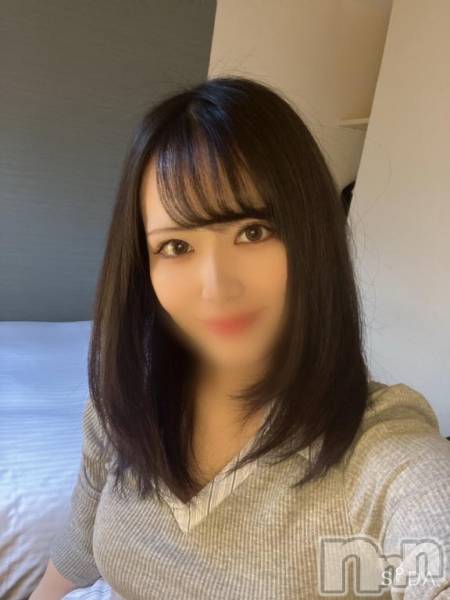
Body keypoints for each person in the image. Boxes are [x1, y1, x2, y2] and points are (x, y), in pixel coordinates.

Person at [30, 76, 450, 600]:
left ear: (311, 237)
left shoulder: (378, 450)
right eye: (176, 246)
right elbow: (81, 540)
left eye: (253, 232)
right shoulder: (124, 400)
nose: (216, 287)